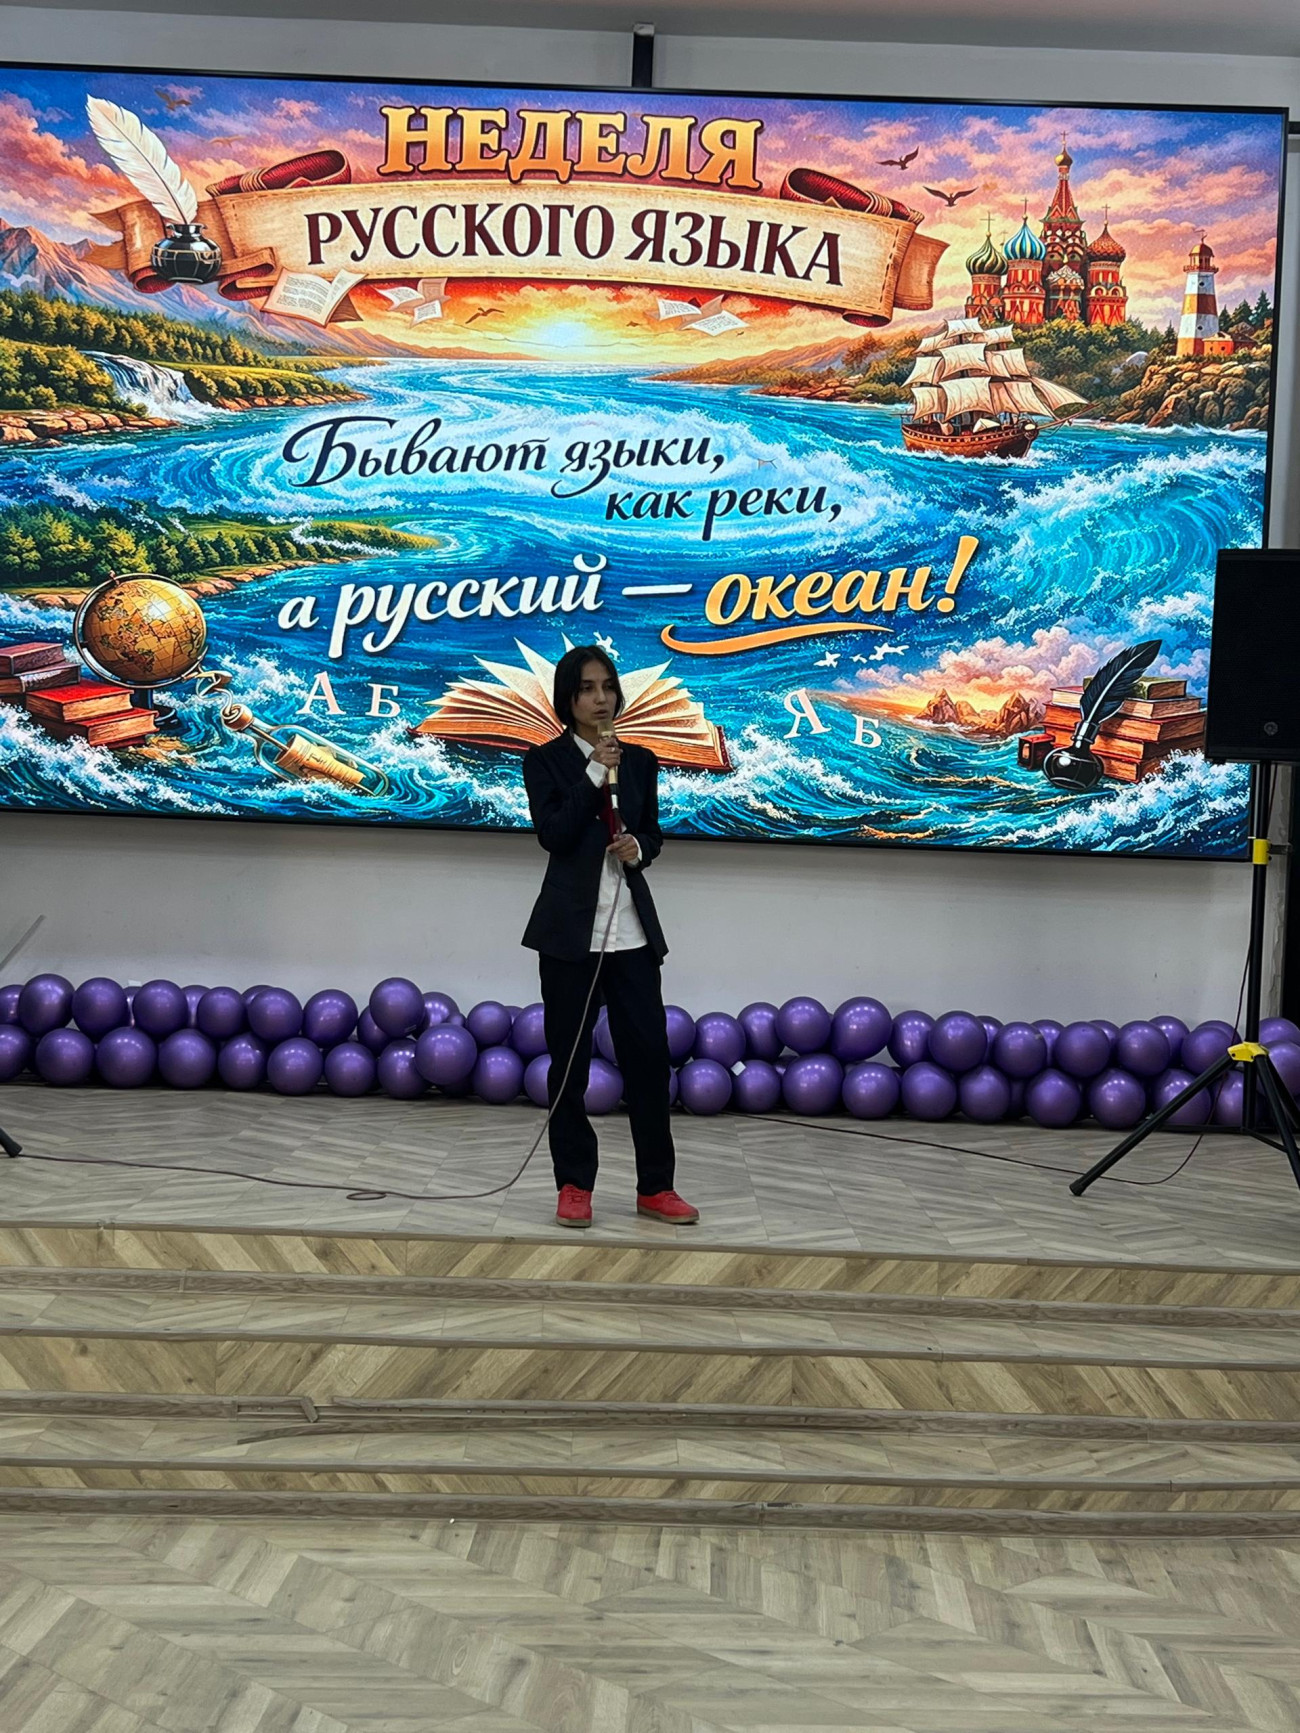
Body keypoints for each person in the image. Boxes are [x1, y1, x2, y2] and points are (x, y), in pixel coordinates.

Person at [522, 644, 699, 1230]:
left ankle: (657, 1187)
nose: (600, 699)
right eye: (587, 689)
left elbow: (653, 835)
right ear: (568, 699)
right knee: (569, 1067)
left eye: (607, 687)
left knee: (649, 1063)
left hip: (632, 936)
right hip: (570, 938)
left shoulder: (641, 761)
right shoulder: (545, 761)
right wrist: (594, 770)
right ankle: (574, 1184)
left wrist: (638, 848)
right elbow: (554, 834)